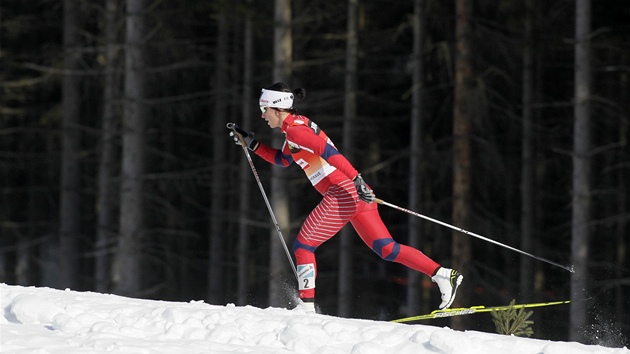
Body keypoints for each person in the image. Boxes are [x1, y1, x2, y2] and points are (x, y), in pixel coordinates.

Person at [229, 82, 463, 313]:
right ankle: (442, 274)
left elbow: (329, 153)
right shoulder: (296, 128)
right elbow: (283, 160)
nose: (262, 116)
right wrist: (252, 143)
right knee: (387, 249)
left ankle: (307, 308)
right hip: (353, 193)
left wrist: (356, 179)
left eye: (264, 110)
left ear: (277, 109)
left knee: (303, 245)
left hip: (344, 192)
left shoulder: (296, 131)